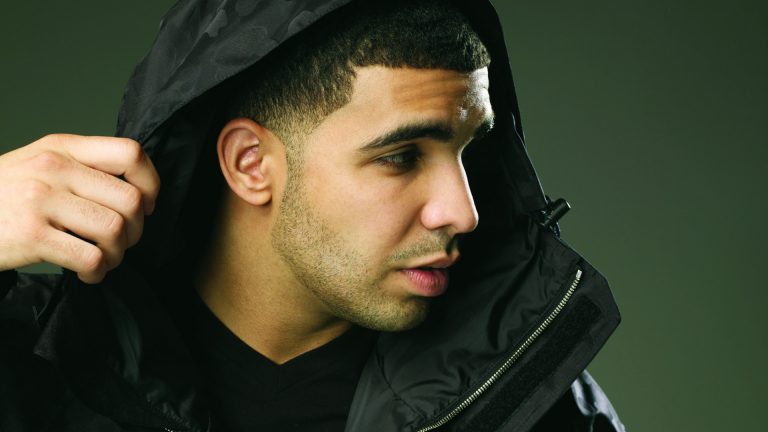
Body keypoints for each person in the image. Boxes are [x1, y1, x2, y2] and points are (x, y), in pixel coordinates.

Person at [0, 1, 625, 431]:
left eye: (469, 153)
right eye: (402, 157)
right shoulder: (34, 358)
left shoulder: (530, 396)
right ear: (251, 164)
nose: (464, 212)